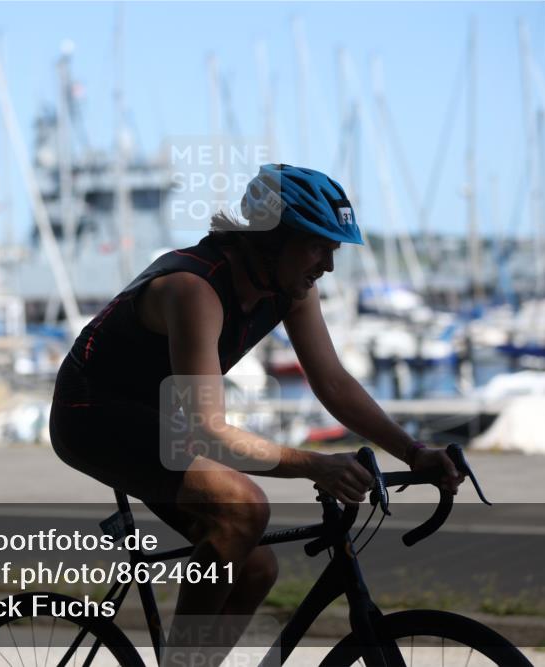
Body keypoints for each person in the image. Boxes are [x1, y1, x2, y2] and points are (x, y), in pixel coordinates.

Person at [50, 163, 464, 664]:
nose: (328, 265)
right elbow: (207, 431)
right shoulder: (194, 289)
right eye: (317, 246)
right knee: (243, 509)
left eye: (333, 250)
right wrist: (317, 465)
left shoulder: (289, 288)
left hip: (158, 419)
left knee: (256, 568)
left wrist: (414, 452)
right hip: (91, 414)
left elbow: (333, 383)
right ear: (272, 239)